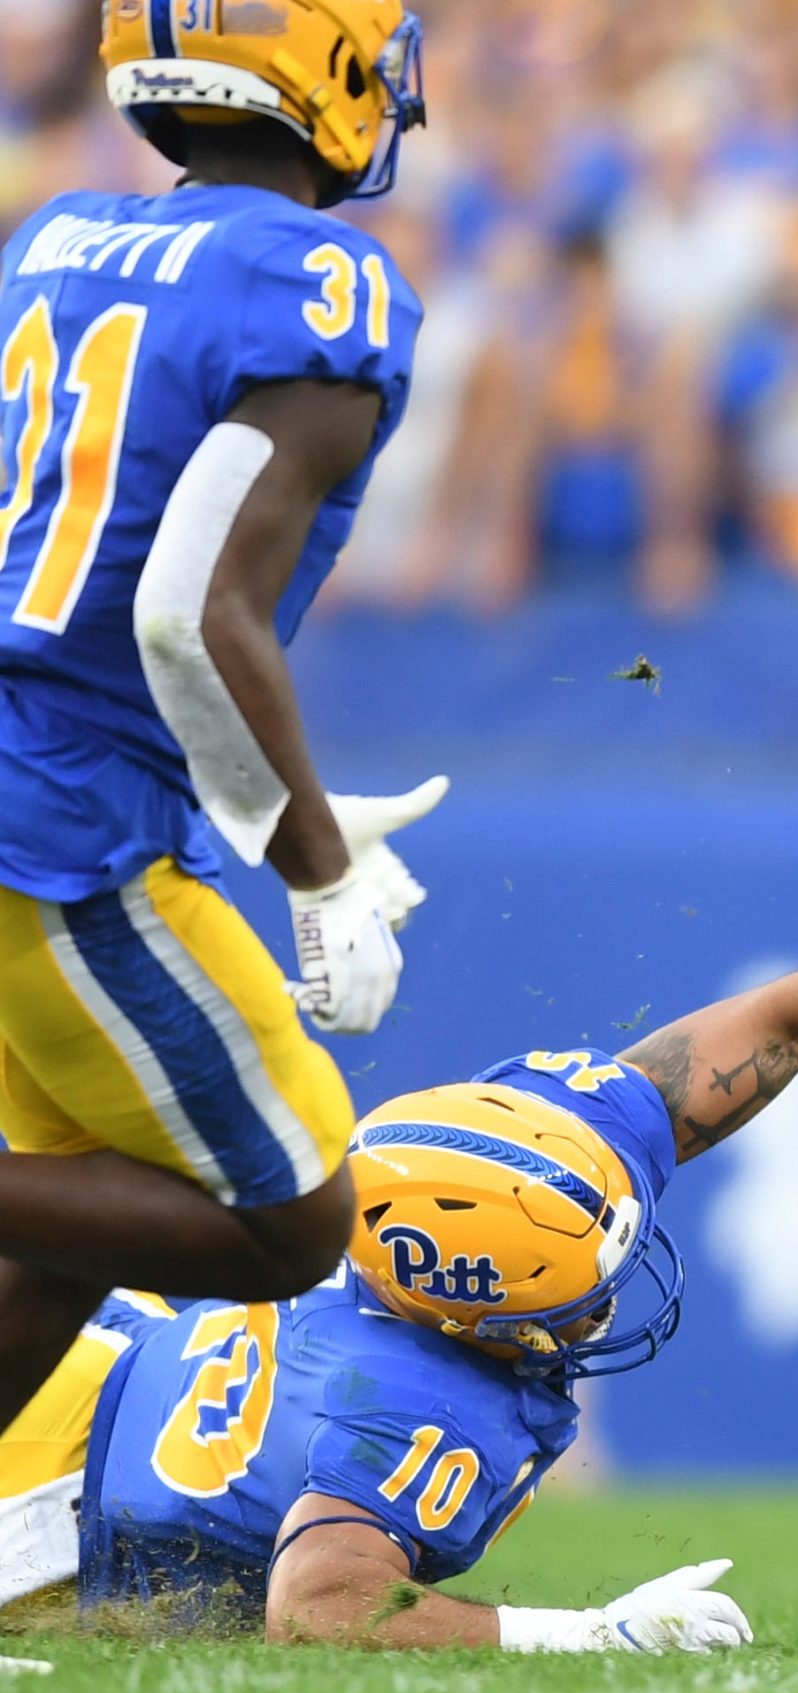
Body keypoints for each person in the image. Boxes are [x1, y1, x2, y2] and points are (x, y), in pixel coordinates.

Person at [0, 902, 798, 1649]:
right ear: (472, 1313)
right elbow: (318, 1607)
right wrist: (590, 1634)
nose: (608, 1299)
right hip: (44, 1506)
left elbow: (791, 1017)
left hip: (112, 1350)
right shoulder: (420, 1399)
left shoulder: (557, 1151)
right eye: (577, 1289)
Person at [0, 2, 437, 1439]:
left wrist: (275, 791)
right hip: (64, 817)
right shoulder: (319, 279)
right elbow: (187, 612)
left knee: (84, 1212)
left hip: (38, 764)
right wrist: (319, 871)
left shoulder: (59, 236)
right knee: (289, 1221)